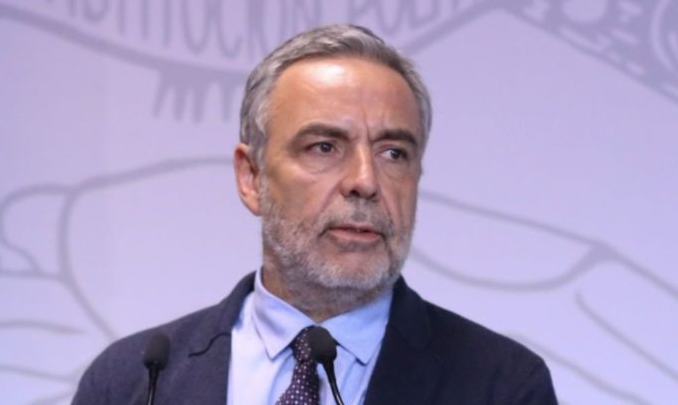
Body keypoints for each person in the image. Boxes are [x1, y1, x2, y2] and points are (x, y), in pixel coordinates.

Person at [72, 24, 557, 405]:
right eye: (325, 146)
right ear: (251, 177)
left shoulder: (503, 386)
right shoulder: (131, 381)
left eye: (394, 153)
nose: (365, 181)